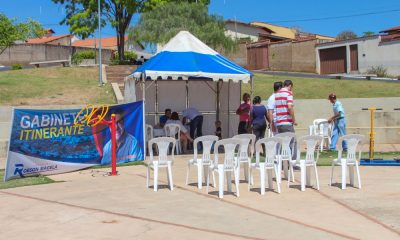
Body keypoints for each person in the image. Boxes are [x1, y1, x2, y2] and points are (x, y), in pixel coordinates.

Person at [275, 80, 297, 158]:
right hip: (287, 122)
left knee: (283, 144)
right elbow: (289, 107)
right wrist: (294, 120)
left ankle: (282, 163)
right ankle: (293, 163)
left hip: (279, 123)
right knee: (293, 142)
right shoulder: (288, 93)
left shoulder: (277, 94)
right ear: (290, 86)